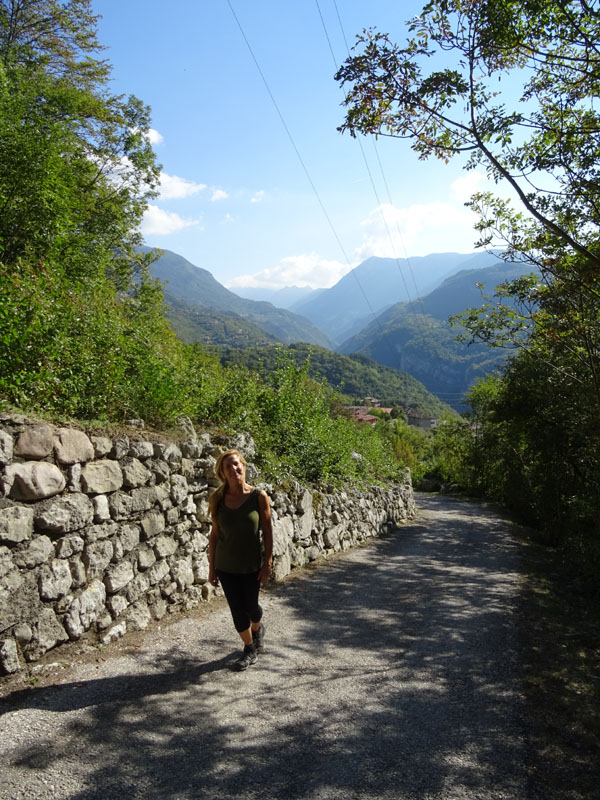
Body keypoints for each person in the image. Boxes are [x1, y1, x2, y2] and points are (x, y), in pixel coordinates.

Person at [208, 449, 273, 671]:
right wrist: (211, 568)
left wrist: (268, 563)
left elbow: (267, 530)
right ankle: (249, 648)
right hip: (226, 566)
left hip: (251, 565)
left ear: (244, 466)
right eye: (228, 467)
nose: (234, 469)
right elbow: (215, 535)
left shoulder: (259, 497)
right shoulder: (217, 499)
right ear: (223, 473)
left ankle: (258, 627)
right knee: (237, 609)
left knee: (252, 608)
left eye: (236, 465)